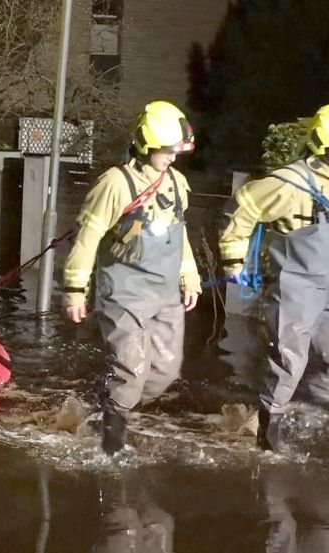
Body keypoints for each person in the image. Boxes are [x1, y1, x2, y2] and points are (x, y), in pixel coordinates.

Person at [219, 104, 329, 451]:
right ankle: (268, 436)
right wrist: (234, 261)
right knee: (289, 362)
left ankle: (298, 411)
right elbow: (238, 211)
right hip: (295, 289)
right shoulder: (288, 182)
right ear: (321, 144)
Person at [62, 101, 202, 455]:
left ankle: (108, 406)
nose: (171, 157)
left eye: (176, 151)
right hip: (123, 294)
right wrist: (75, 290)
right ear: (145, 145)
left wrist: (190, 276)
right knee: (131, 370)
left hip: (165, 294)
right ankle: (111, 449)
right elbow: (87, 239)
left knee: (163, 375)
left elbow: (180, 235)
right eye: (165, 151)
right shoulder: (115, 184)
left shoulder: (176, 183)